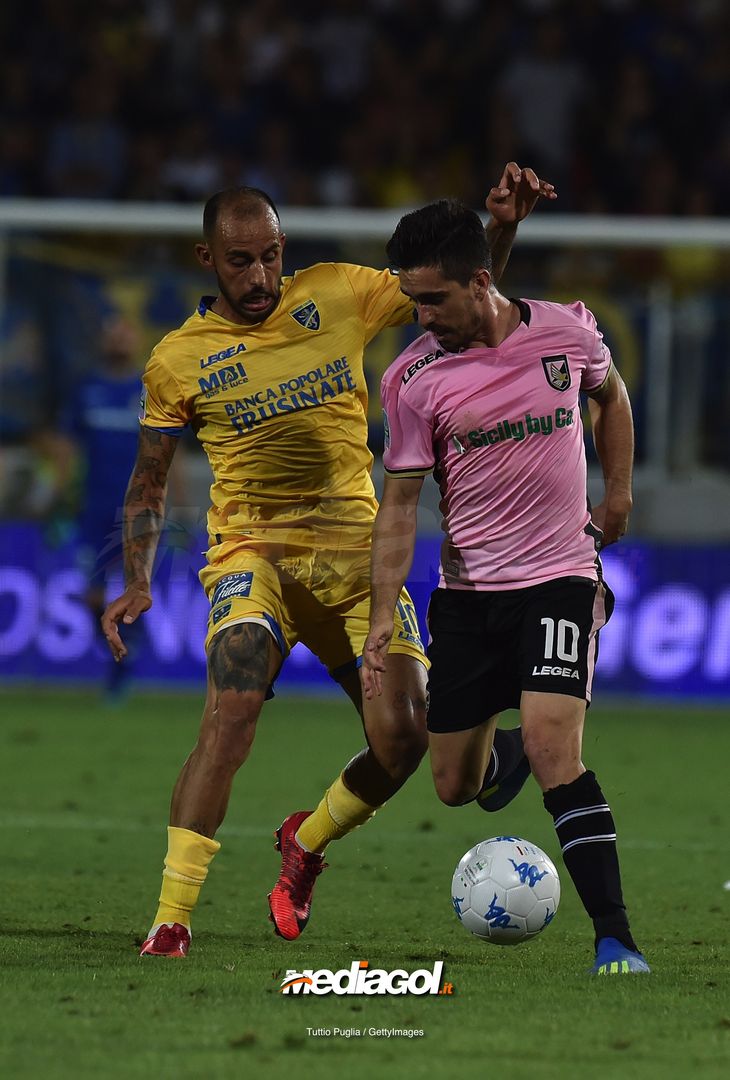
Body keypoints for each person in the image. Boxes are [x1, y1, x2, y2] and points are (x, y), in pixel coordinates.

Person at [101, 165, 556, 958]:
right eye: (241, 260)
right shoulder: (178, 359)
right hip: (254, 555)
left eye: (272, 255)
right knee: (232, 707)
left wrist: (501, 230)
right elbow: (149, 481)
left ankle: (304, 844)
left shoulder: (339, 292)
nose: (261, 275)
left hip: (356, 557)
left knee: (405, 740)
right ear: (207, 258)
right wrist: (137, 578)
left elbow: (456, 299)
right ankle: (171, 918)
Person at [361, 198, 650, 975]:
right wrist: (382, 618)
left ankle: (615, 937)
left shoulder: (566, 331)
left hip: (559, 576)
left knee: (561, 747)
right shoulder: (412, 381)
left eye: (432, 300)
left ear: (480, 280)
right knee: (454, 784)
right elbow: (399, 505)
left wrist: (617, 492)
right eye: (411, 298)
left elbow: (612, 395)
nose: (419, 315)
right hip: (467, 595)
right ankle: (509, 751)